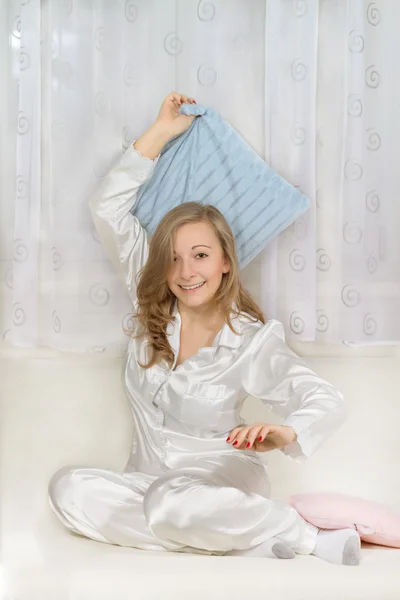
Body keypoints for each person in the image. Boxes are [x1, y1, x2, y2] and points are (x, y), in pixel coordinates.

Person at [48, 92, 361, 565]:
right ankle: (244, 539)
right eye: (173, 257)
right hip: (146, 483)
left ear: (225, 262)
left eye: (200, 255)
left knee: (173, 502)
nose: (185, 270)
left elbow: (325, 399)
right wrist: (161, 132)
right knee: (68, 489)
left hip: (219, 480)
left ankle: (307, 537)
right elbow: (106, 209)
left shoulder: (251, 339)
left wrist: (286, 433)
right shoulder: (150, 295)